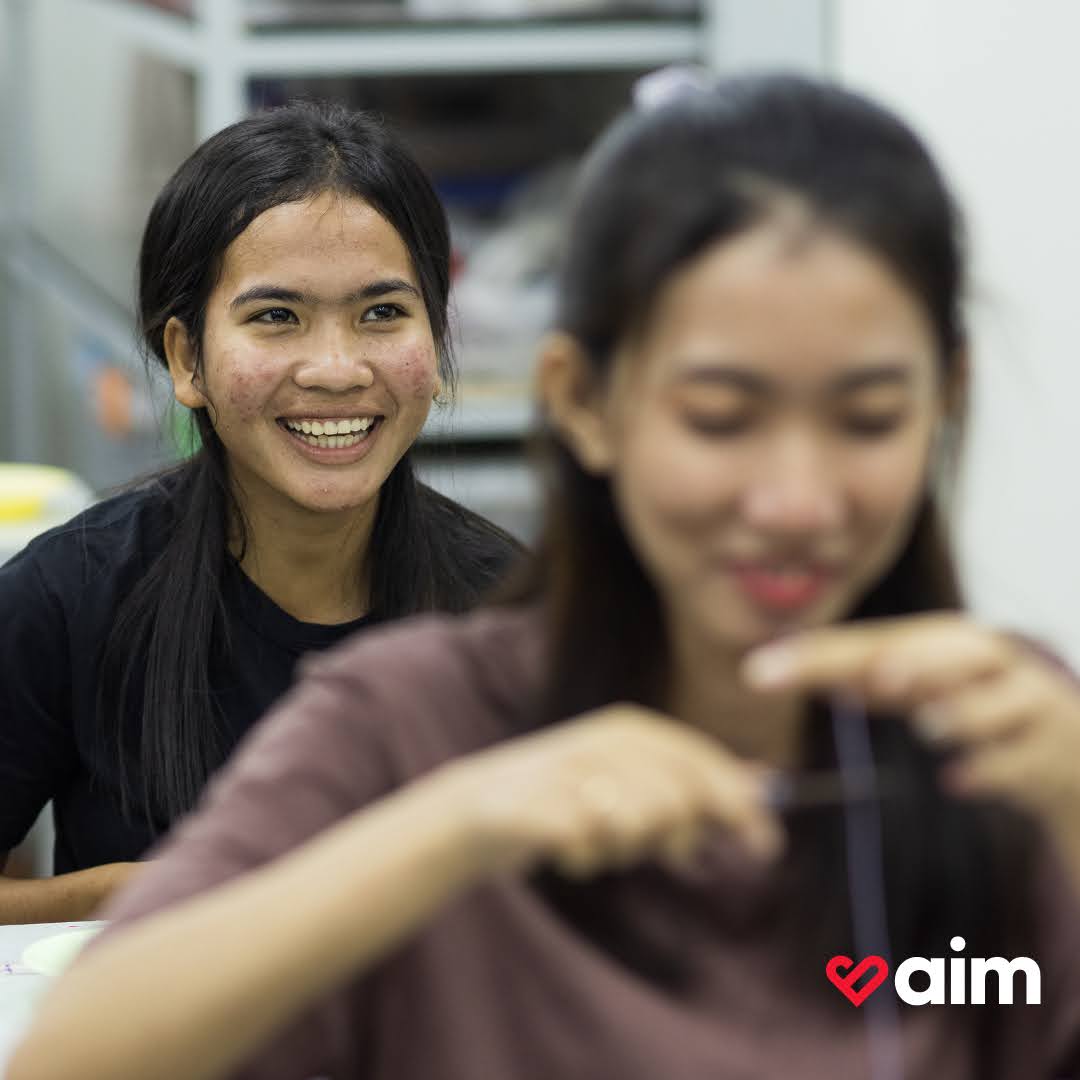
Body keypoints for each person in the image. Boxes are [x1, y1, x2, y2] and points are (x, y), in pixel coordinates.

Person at [13, 75, 1080, 1080]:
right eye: (719, 416)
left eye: (867, 417)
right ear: (581, 401)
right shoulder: (416, 714)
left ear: (946, 398)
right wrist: (459, 825)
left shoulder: (1015, 739)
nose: (795, 499)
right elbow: (69, 1055)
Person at [0, 101, 520, 923]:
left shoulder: (512, 613)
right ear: (186, 358)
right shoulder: (68, 595)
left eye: (383, 313)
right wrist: (113, 897)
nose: (337, 369)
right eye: (276, 317)